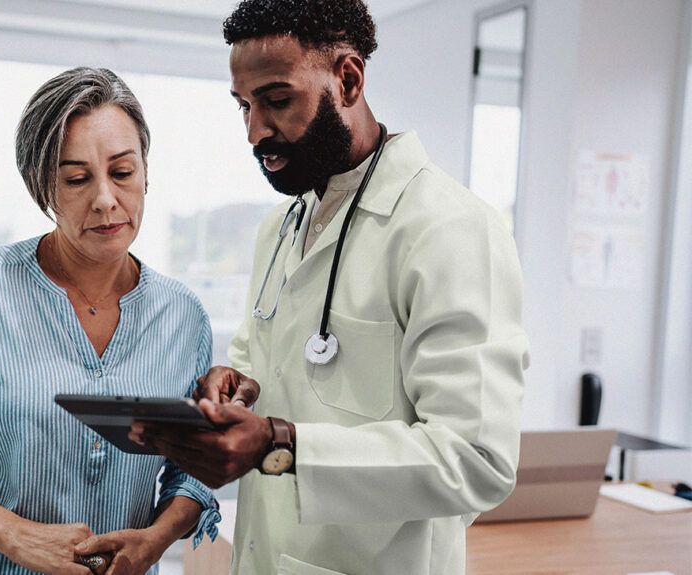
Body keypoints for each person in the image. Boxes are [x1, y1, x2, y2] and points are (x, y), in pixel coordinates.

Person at [130, 1, 529, 574]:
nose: (254, 131)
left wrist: (279, 442)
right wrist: (236, 388)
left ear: (347, 79)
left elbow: (478, 460)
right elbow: (264, 368)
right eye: (244, 106)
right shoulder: (282, 226)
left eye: (276, 100)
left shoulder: (450, 228)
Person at [0, 67, 219, 575]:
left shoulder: (184, 317)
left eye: (122, 172)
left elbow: (194, 464)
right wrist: (13, 535)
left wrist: (157, 539)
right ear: (43, 188)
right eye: (76, 178)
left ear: (146, 171)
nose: (104, 199)